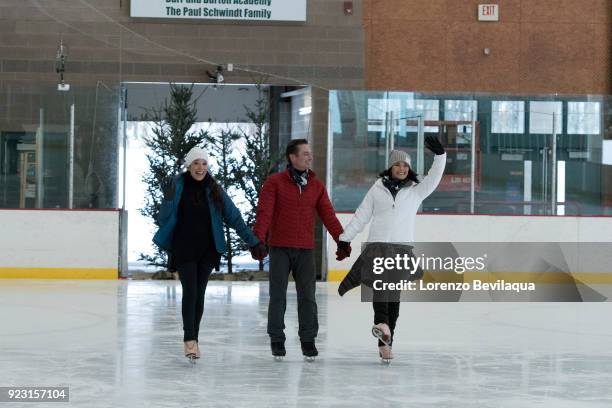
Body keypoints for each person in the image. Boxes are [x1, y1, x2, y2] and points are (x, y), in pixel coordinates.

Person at [336, 136, 446, 362]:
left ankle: (386, 341)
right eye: (398, 164)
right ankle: (382, 325)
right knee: (381, 290)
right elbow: (361, 216)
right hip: (377, 248)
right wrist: (345, 238)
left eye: (406, 165)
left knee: (393, 296)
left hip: (401, 250)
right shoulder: (377, 189)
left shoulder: (416, 191)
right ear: (390, 167)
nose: (402, 168)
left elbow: (434, 178)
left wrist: (440, 156)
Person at [153, 146, 266, 362]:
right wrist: (167, 201)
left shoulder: (214, 189)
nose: (200, 167)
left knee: (199, 293)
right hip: (184, 247)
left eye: (204, 163)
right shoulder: (177, 186)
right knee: (190, 292)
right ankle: (190, 340)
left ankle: (194, 337)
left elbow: (234, 217)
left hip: (208, 250)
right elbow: (163, 220)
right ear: (189, 165)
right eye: (196, 163)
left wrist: (254, 242)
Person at [253, 139, 350, 360]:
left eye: (310, 153)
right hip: (280, 249)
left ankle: (308, 340)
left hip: (306, 250)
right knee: (277, 296)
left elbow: (328, 215)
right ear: (292, 157)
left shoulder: (316, 185)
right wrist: (258, 239)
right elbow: (264, 212)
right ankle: (277, 339)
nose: (310, 157)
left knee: (308, 297)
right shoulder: (274, 182)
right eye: (305, 153)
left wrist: (342, 240)